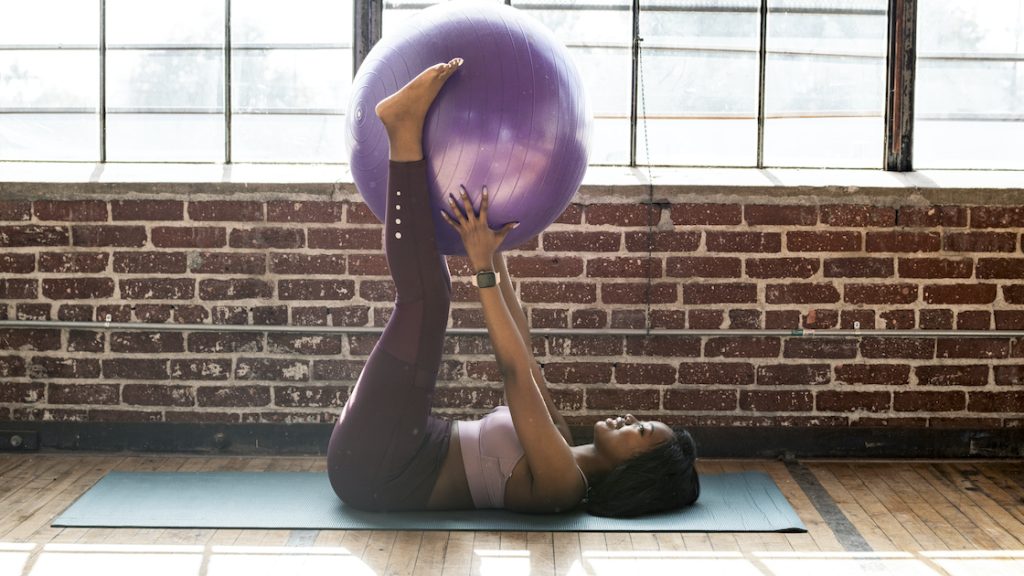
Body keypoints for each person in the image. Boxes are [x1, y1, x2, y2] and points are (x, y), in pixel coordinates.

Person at [327, 58, 699, 517]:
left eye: (639, 432)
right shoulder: (559, 437)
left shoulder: (563, 483)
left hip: (379, 471)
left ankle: (403, 132)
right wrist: (493, 246)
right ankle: (405, 133)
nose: (629, 419)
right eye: (641, 421)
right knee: (433, 291)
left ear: (637, 471)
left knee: (428, 299)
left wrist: (481, 265)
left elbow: (514, 373)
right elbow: (522, 344)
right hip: (401, 440)